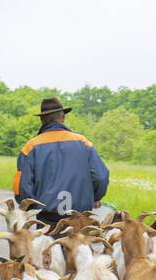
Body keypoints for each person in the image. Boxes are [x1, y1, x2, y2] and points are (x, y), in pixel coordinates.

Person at [12, 97, 109, 228]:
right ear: (63, 118)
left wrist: (31, 209)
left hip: (46, 221)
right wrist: (96, 197)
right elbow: (101, 176)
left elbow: (23, 187)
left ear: (42, 120)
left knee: (46, 249)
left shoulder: (30, 147)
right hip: (81, 220)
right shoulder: (83, 142)